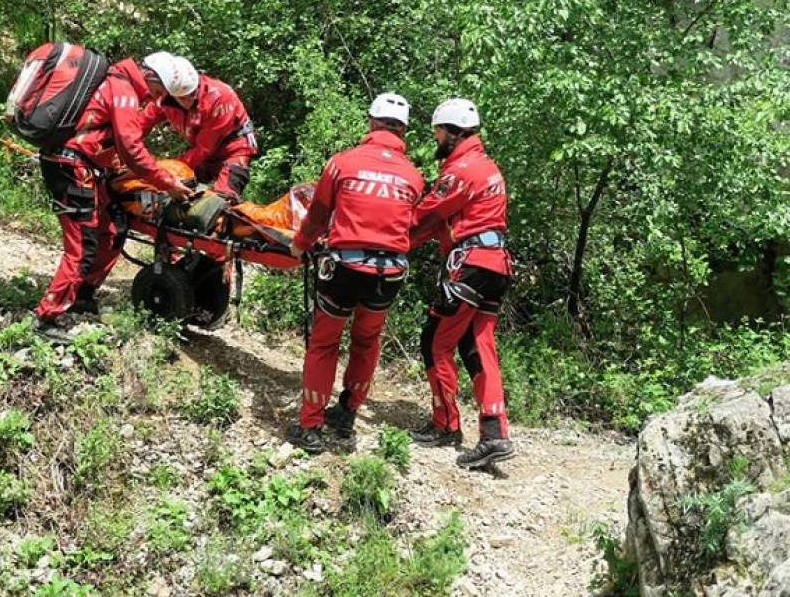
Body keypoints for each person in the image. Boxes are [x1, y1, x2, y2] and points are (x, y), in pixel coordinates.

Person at [286, 93, 424, 454]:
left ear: (371, 122)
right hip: (389, 273)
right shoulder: (414, 176)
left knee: (325, 342)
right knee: (366, 342)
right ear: (403, 129)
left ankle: (310, 426)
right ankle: (346, 413)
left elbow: (317, 215)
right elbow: (410, 223)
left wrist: (300, 245)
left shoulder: (341, 163)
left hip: (344, 268)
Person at [33, 52, 194, 339]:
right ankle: (47, 317)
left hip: (86, 167)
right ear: (150, 78)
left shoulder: (118, 84)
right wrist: (166, 182)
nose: (154, 99)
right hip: (72, 168)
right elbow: (131, 148)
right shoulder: (123, 91)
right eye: (157, 92)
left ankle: (82, 295)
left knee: (112, 230)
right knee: (83, 245)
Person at [409, 98, 515, 469]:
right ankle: (494, 434)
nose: (434, 138)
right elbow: (439, 224)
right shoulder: (487, 167)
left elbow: (422, 216)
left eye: (438, 131)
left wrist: (384, 234)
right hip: (496, 265)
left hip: (469, 266)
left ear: (453, 133)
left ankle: (445, 425)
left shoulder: (460, 171)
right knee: (478, 345)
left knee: (436, 342)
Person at [138, 55, 258, 201]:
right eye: (182, 98)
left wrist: (169, 171)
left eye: (191, 95)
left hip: (232, 151)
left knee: (220, 202)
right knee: (171, 192)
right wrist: (123, 144)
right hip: (202, 152)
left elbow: (204, 149)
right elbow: (142, 122)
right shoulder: (165, 100)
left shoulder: (219, 99)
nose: (188, 101)